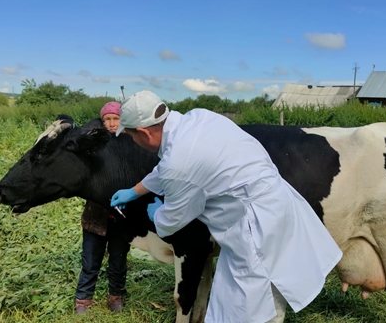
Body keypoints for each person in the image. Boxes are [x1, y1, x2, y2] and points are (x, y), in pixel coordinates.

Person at [110, 90, 343, 323]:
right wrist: (136, 190)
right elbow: (170, 166)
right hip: (276, 202)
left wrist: (157, 215)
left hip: (256, 227)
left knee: (255, 308)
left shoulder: (179, 161)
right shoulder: (199, 118)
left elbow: (172, 220)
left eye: (132, 137)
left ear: (144, 132)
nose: (134, 142)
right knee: (254, 296)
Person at [75, 101, 130, 314]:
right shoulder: (95, 147)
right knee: (90, 260)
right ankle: (83, 300)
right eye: (107, 119)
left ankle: (116, 296)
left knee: (118, 260)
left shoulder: (129, 146)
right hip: (95, 215)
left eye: (116, 119)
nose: (111, 123)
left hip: (121, 217)